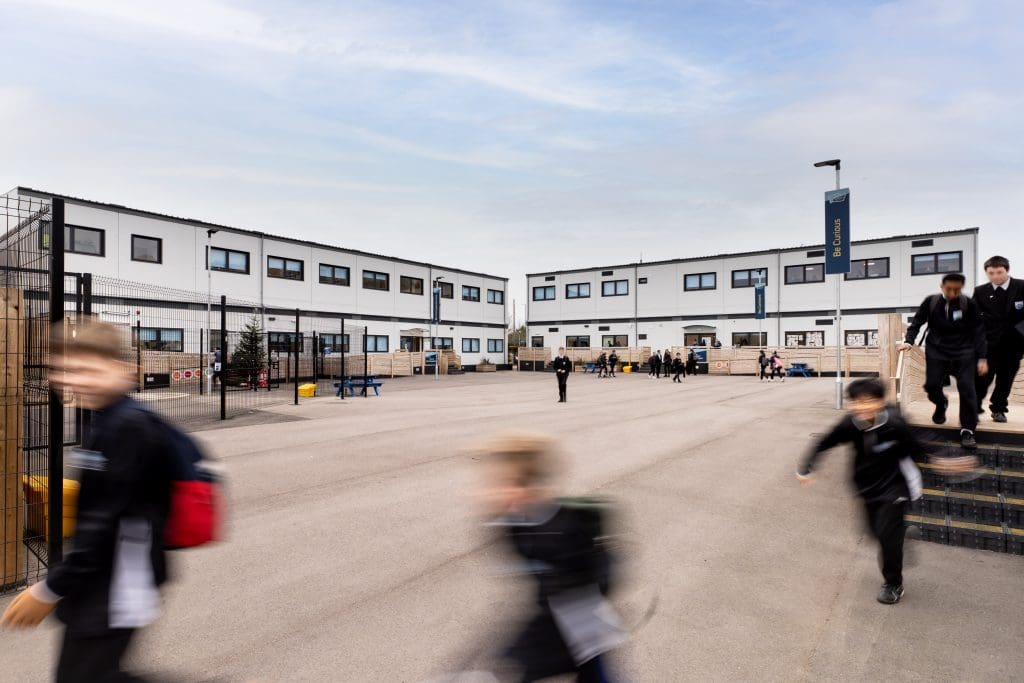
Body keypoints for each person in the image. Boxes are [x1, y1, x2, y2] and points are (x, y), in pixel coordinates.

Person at [1, 319, 175, 681]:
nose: (74, 379)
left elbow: (104, 523)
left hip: (119, 587)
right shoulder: (106, 418)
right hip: (104, 583)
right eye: (64, 369)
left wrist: (50, 588)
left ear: (123, 370)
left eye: (87, 368)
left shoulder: (127, 427)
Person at [479, 433, 623, 681]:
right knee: (505, 668)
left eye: (503, 482)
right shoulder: (512, 525)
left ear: (529, 486)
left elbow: (605, 570)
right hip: (547, 619)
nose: (492, 492)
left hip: (583, 626)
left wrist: (577, 579)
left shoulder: (571, 522)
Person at [797, 379, 923, 605]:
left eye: (869, 402)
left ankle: (893, 583)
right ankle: (899, 536)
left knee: (887, 538)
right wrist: (807, 467)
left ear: (880, 402)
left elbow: (919, 448)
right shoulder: (850, 424)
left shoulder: (895, 424)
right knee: (875, 534)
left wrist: (943, 460)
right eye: (857, 402)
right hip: (867, 488)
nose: (863, 408)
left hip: (897, 486)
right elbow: (825, 442)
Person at [898, 273, 988, 449]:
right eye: (949, 289)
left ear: (961, 288)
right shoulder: (931, 302)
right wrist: (909, 341)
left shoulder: (969, 304)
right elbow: (917, 322)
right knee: (931, 385)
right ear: (942, 286)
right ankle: (941, 403)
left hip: (964, 352)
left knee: (967, 389)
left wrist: (982, 357)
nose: (953, 293)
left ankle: (968, 430)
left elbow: (979, 331)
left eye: (957, 290)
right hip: (937, 350)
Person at [973, 255, 1024, 423]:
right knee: (982, 378)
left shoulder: (1021, 286)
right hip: (988, 345)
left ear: (1007, 270)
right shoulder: (980, 291)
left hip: (1014, 345)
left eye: (999, 272)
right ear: (986, 273)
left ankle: (999, 409)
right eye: (991, 273)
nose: (995, 276)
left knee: (1006, 378)